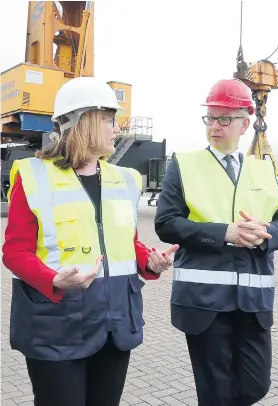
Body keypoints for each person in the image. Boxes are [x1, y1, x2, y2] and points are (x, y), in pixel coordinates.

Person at [2, 76, 178, 406]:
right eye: (110, 119)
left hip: (114, 324)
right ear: (84, 122)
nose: (117, 129)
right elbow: (14, 251)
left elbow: (127, 242)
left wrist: (148, 261)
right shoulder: (34, 175)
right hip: (56, 324)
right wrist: (53, 278)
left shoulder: (124, 179)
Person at [154, 78, 278, 406]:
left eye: (225, 119)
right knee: (216, 393)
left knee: (254, 386)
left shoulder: (263, 169)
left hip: (253, 301)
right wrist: (223, 233)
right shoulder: (184, 165)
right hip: (204, 300)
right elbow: (166, 223)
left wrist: (265, 236)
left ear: (246, 123)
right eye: (211, 118)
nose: (215, 126)